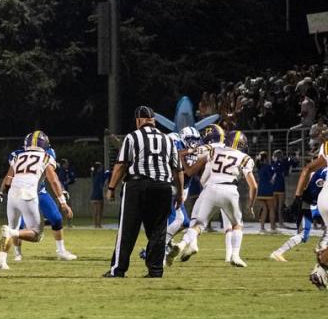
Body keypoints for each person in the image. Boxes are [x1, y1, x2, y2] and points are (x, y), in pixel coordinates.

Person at [105, 106, 182, 278]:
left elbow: (121, 165)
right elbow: (178, 169)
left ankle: (118, 269)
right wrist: (180, 193)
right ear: (153, 120)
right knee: (158, 230)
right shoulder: (168, 139)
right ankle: (155, 270)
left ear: (139, 120)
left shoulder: (133, 137)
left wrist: (111, 188)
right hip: (163, 187)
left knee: (127, 229)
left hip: (137, 185)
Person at [174, 130, 257, 268]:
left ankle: (182, 244)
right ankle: (235, 256)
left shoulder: (214, 150)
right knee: (237, 224)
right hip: (230, 189)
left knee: (198, 225)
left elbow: (184, 156)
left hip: (211, 188)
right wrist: (251, 205)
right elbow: (253, 186)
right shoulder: (245, 158)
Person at [0, 131, 72, 270]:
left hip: (13, 194)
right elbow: (53, 180)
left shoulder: (18, 156)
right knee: (36, 234)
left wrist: (2, 193)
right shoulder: (46, 156)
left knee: (12, 227)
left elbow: (8, 179)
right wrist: (63, 202)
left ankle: (1, 260)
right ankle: (13, 235)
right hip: (29, 194)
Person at [291, 140, 328, 289]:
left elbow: (307, 169)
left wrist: (297, 198)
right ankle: (322, 258)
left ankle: (319, 271)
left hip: (324, 197)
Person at [271, 166, 326, 261]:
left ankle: (321, 249)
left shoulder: (319, 171)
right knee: (303, 234)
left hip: (313, 204)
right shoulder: (322, 172)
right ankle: (278, 252)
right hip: (309, 204)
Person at [255, 152, 275, 232]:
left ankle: (262, 228)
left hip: (260, 190)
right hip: (268, 189)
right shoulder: (268, 167)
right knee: (271, 208)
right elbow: (272, 178)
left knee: (264, 209)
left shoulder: (259, 167)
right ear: (266, 158)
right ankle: (272, 228)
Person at [89, 161, 109, 229]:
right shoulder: (100, 175)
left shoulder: (93, 174)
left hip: (93, 195)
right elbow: (106, 177)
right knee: (100, 211)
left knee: (95, 211)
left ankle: (95, 225)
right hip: (99, 194)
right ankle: (99, 224)